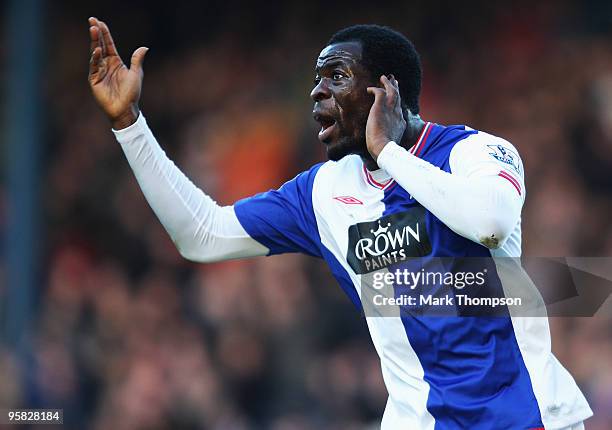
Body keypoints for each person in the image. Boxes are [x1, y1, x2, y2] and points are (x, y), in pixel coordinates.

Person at [88, 17, 592, 429]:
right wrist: (130, 126)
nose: (316, 94)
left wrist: (388, 154)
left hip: (528, 416)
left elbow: (490, 224)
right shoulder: (323, 192)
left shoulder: (475, 151)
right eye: (316, 81)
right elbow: (202, 236)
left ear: (385, 91)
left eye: (336, 77)